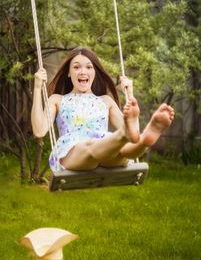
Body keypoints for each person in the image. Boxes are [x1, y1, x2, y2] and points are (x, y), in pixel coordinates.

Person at [31, 47, 175, 172]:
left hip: (106, 148)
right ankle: (123, 135)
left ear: (94, 72)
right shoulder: (57, 99)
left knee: (124, 151)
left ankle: (145, 140)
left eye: (89, 67)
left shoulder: (105, 101)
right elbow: (39, 130)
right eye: (76, 67)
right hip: (72, 152)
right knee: (90, 146)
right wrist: (37, 88)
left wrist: (130, 94)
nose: (82, 71)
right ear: (69, 73)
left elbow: (133, 134)